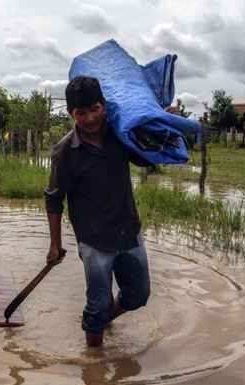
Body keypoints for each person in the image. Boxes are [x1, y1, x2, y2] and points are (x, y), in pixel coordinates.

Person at [44, 76, 152, 348]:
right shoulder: (65, 153)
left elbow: (145, 158)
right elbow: (54, 199)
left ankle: (104, 321)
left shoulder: (120, 134)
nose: (90, 118)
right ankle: (94, 367)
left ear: (103, 106)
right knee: (98, 303)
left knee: (138, 295)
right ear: (71, 113)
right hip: (94, 241)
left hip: (129, 231)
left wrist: (153, 130)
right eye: (81, 113)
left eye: (95, 109)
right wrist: (54, 245)